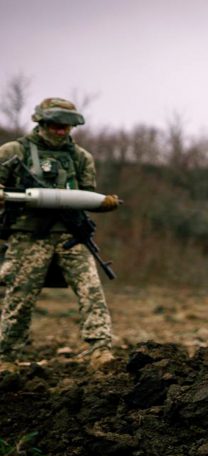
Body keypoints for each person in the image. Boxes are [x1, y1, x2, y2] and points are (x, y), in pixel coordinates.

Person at [0, 98, 120, 371]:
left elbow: (86, 197)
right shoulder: (12, 151)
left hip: (70, 236)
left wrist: (105, 203)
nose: (61, 131)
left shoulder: (80, 158)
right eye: (55, 125)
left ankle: (100, 350)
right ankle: (6, 358)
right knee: (20, 297)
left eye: (66, 127)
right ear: (41, 123)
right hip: (28, 237)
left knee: (92, 291)